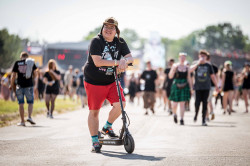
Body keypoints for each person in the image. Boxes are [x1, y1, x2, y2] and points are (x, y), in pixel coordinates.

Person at [83, 17, 133, 153]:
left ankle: (107, 127)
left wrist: (124, 61)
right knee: (94, 111)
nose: (108, 30)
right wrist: (119, 62)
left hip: (111, 80)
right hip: (94, 81)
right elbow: (98, 62)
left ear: (116, 30)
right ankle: (95, 141)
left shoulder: (120, 42)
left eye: (112, 28)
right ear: (102, 28)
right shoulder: (96, 41)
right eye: (106, 27)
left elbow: (130, 58)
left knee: (121, 104)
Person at [190, 50, 218, 126]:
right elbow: (190, 70)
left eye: (204, 56)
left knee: (205, 103)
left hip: (206, 87)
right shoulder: (196, 64)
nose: (202, 57)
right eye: (201, 56)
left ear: (206, 57)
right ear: (199, 56)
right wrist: (198, 63)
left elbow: (213, 76)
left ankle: (203, 120)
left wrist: (216, 86)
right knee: (197, 103)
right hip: (198, 87)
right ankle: (196, 114)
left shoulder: (208, 66)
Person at [10, 52, 37, 126]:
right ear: (27, 57)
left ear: (21, 57)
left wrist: (11, 85)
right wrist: (33, 82)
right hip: (29, 85)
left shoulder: (17, 63)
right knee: (30, 102)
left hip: (20, 86)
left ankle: (22, 121)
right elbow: (35, 74)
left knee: (21, 103)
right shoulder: (31, 62)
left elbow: (13, 76)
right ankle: (29, 117)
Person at [168, 53, 192, 125]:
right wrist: (173, 70)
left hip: (184, 85)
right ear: (179, 58)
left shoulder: (187, 67)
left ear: (185, 58)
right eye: (181, 57)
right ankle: (174, 114)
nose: (182, 58)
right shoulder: (175, 66)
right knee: (174, 104)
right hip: (176, 84)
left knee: (182, 104)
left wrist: (191, 88)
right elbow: (170, 76)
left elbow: (189, 78)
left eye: (184, 57)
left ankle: (181, 119)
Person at [206, 55, 218, 120]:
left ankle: (207, 116)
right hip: (212, 85)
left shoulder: (204, 65)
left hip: (207, 86)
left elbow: (215, 76)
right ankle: (212, 112)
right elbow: (216, 77)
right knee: (209, 100)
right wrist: (217, 85)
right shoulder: (214, 67)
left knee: (206, 100)